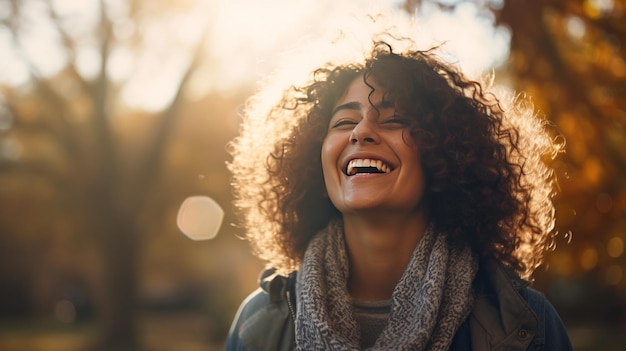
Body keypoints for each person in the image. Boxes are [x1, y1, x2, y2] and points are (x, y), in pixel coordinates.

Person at [224, 39, 573, 350]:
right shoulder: (259, 326)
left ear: (443, 154)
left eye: (392, 120)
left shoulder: (527, 326)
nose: (361, 131)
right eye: (344, 122)